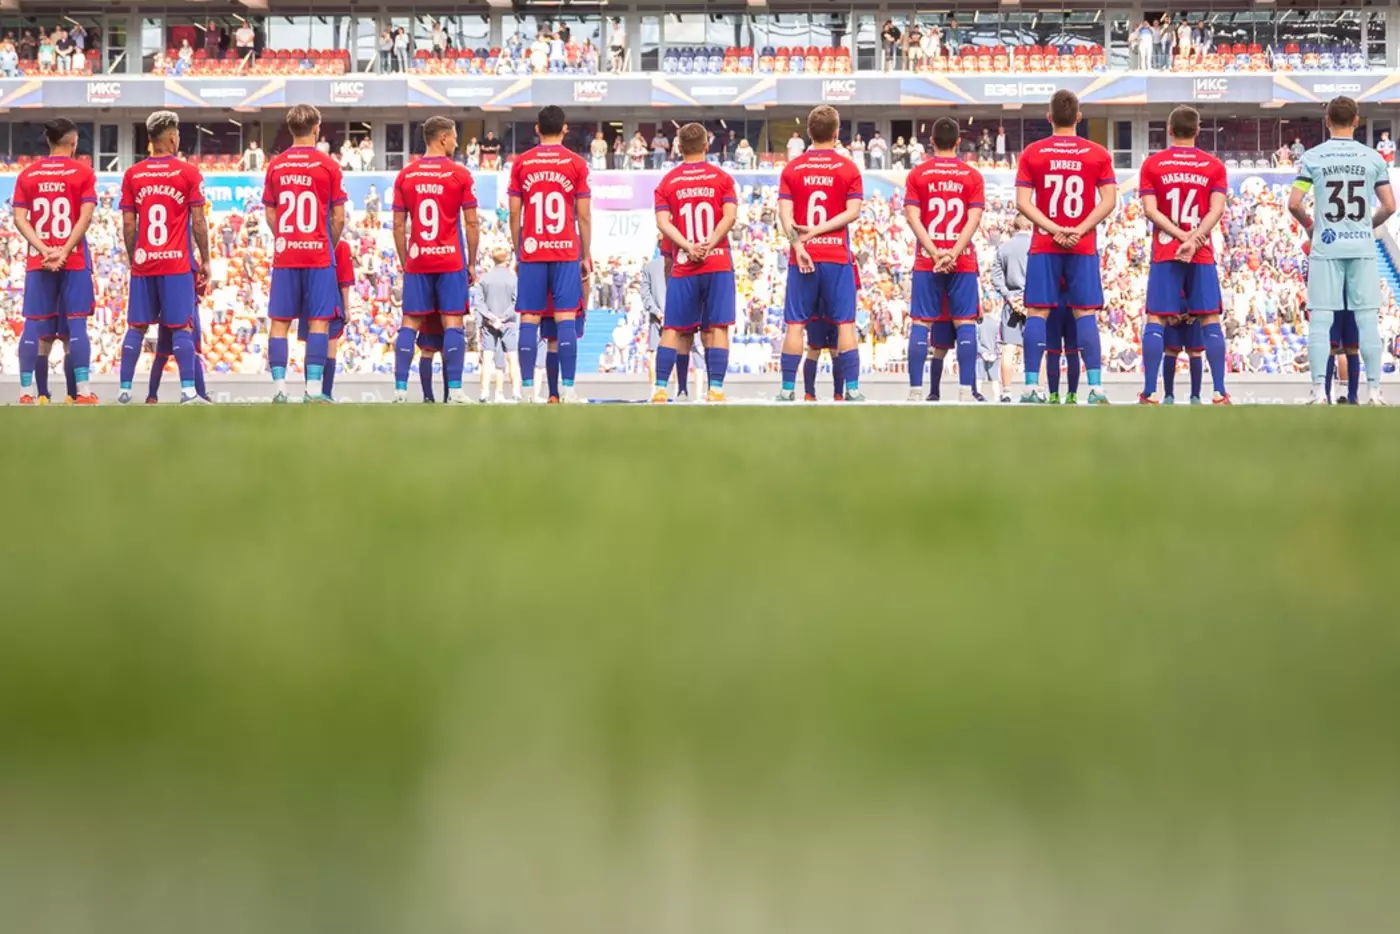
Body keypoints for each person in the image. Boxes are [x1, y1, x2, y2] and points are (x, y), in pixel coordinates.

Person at [1289, 95, 1396, 404]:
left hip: (1327, 246)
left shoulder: (1314, 157)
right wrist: (1366, 224)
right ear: (1357, 121)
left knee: (1321, 319)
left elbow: (1294, 204)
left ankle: (1318, 392)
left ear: (1327, 121)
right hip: (1361, 245)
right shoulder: (1373, 158)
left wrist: (1312, 227)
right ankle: (1374, 392)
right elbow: (1390, 206)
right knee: (1367, 320)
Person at [1014, 88, 1117, 404]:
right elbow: (1109, 201)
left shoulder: (1033, 152)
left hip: (1045, 243)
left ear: (1049, 117)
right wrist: (1079, 229)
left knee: (1037, 311)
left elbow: (1022, 202)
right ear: (1079, 118)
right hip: (1081, 244)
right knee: (1085, 312)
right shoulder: (1098, 153)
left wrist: (1053, 228)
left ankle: (1031, 387)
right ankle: (1096, 388)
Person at [1136, 105, 1231, 405]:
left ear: (1169, 130)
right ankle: (1219, 392)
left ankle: (1150, 392)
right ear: (1198, 130)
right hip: (1200, 252)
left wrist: (1180, 236)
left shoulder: (1153, 164)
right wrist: (1195, 238)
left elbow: (1150, 210)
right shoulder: (1214, 165)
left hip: (1167, 250)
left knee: (1156, 317)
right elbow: (1217, 209)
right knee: (1210, 317)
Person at [117, 111, 210, 404]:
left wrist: (134, 258)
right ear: (171, 136)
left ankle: (124, 391)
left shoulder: (133, 174)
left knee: (136, 326)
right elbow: (198, 221)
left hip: (145, 262)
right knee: (181, 327)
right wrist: (206, 259)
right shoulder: (188, 173)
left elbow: (129, 224)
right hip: (176, 264)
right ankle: (188, 392)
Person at [777, 105, 865, 402]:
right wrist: (818, 231)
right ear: (837, 133)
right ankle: (852, 390)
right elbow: (853, 212)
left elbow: (785, 215)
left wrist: (799, 245)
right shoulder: (848, 168)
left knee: (795, 324)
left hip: (803, 257)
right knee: (845, 324)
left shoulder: (792, 168)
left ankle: (787, 390)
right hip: (837, 256)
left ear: (808, 133)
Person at [261, 104, 347, 403]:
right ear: (316, 128)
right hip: (318, 254)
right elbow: (338, 218)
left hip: (286, 255)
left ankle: (279, 389)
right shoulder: (329, 166)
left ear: (290, 129)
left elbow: (270, 213)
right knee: (319, 321)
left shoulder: (276, 166)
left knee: (279, 321)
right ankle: (313, 390)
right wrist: (325, 243)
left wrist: (287, 239)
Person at [391, 116, 479, 404]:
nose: (456, 142)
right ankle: (455, 391)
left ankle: (400, 391)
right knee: (453, 321)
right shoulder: (459, 174)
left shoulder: (406, 175)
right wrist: (472, 263)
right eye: (454, 137)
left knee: (410, 322)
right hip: (450, 260)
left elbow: (398, 226)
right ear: (443, 138)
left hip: (418, 260)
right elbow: (471, 223)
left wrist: (406, 261)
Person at [12, 117, 98, 405]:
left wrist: (43, 249)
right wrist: (64, 250)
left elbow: (20, 218)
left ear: (48, 141)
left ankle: (26, 393)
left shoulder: (27, 174)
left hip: (39, 260)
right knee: (76, 323)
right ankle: (82, 392)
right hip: (73, 259)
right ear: (73, 143)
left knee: (34, 323)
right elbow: (86, 216)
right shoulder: (83, 172)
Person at [509, 105, 592, 403]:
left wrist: (519, 251)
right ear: (565, 129)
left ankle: (527, 390)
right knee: (565, 317)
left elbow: (515, 213)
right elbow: (583, 215)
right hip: (566, 249)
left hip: (532, 249)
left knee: (529, 318)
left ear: (537, 129)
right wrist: (586, 253)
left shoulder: (521, 163)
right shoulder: (577, 164)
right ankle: (568, 390)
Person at [651, 123, 737, 404]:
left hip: (684, 262)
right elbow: (730, 217)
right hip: (717, 261)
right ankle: (716, 390)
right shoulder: (722, 178)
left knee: (673, 328)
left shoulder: (668, 182)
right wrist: (708, 244)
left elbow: (662, 222)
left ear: (678, 147)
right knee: (718, 327)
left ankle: (660, 389)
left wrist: (688, 246)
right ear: (706, 145)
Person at [903, 117, 986, 403]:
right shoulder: (972, 176)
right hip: (962, 260)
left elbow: (912, 217)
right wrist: (953, 252)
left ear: (931, 142)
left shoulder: (918, 174)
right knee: (965, 322)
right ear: (959, 142)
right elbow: (974, 219)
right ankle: (965, 391)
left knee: (921, 322)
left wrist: (934, 251)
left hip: (928, 260)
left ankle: (915, 391)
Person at [990, 215, 1032, 403]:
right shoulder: (1036, 246)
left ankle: (1006, 391)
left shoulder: (1004, 247)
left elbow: (995, 277)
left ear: (1014, 226)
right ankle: (1036, 389)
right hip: (1033, 302)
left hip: (1012, 301)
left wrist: (1010, 297)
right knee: (1038, 347)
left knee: (1008, 348)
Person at [474, 248, 521, 403]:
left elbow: (479, 303)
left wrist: (492, 318)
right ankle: (516, 392)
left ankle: (484, 393)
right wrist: (503, 317)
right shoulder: (513, 279)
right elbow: (517, 302)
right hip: (508, 323)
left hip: (489, 324)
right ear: (507, 259)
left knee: (487, 359)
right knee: (512, 358)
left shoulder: (484, 279)